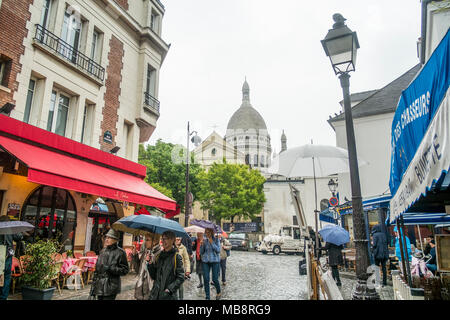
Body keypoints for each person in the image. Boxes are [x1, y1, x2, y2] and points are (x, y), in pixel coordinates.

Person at [90, 229, 129, 300]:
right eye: (106, 237)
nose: (106, 239)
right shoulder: (103, 251)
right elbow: (97, 271)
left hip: (111, 286)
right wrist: (93, 287)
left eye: (109, 238)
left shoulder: (120, 252)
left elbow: (125, 270)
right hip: (100, 286)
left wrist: (111, 268)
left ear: (115, 240)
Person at [148, 231, 185, 300]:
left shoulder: (176, 257)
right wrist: (150, 265)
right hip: (155, 295)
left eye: (166, 239)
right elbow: (154, 276)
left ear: (172, 240)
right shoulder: (159, 256)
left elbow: (181, 277)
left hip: (168, 296)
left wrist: (170, 289)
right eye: (162, 239)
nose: (163, 241)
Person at [0, 215, 24, 300]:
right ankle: (3, 297)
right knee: (6, 277)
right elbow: (20, 237)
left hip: (1, 254)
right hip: (7, 256)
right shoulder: (10, 229)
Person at [135, 235, 160, 300]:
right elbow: (138, 270)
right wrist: (135, 256)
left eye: (147, 240)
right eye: (145, 239)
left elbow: (156, 276)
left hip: (150, 290)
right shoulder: (145, 252)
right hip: (140, 289)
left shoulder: (159, 255)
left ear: (155, 241)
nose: (145, 242)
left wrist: (149, 263)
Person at [200, 228, 221, 300]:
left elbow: (218, 250)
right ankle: (207, 297)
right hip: (206, 261)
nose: (207, 234)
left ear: (212, 232)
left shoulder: (216, 239)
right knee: (206, 279)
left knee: (215, 279)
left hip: (215, 261)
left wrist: (212, 242)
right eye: (206, 232)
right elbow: (201, 252)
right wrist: (201, 245)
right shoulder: (204, 240)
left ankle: (218, 292)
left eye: (208, 232)